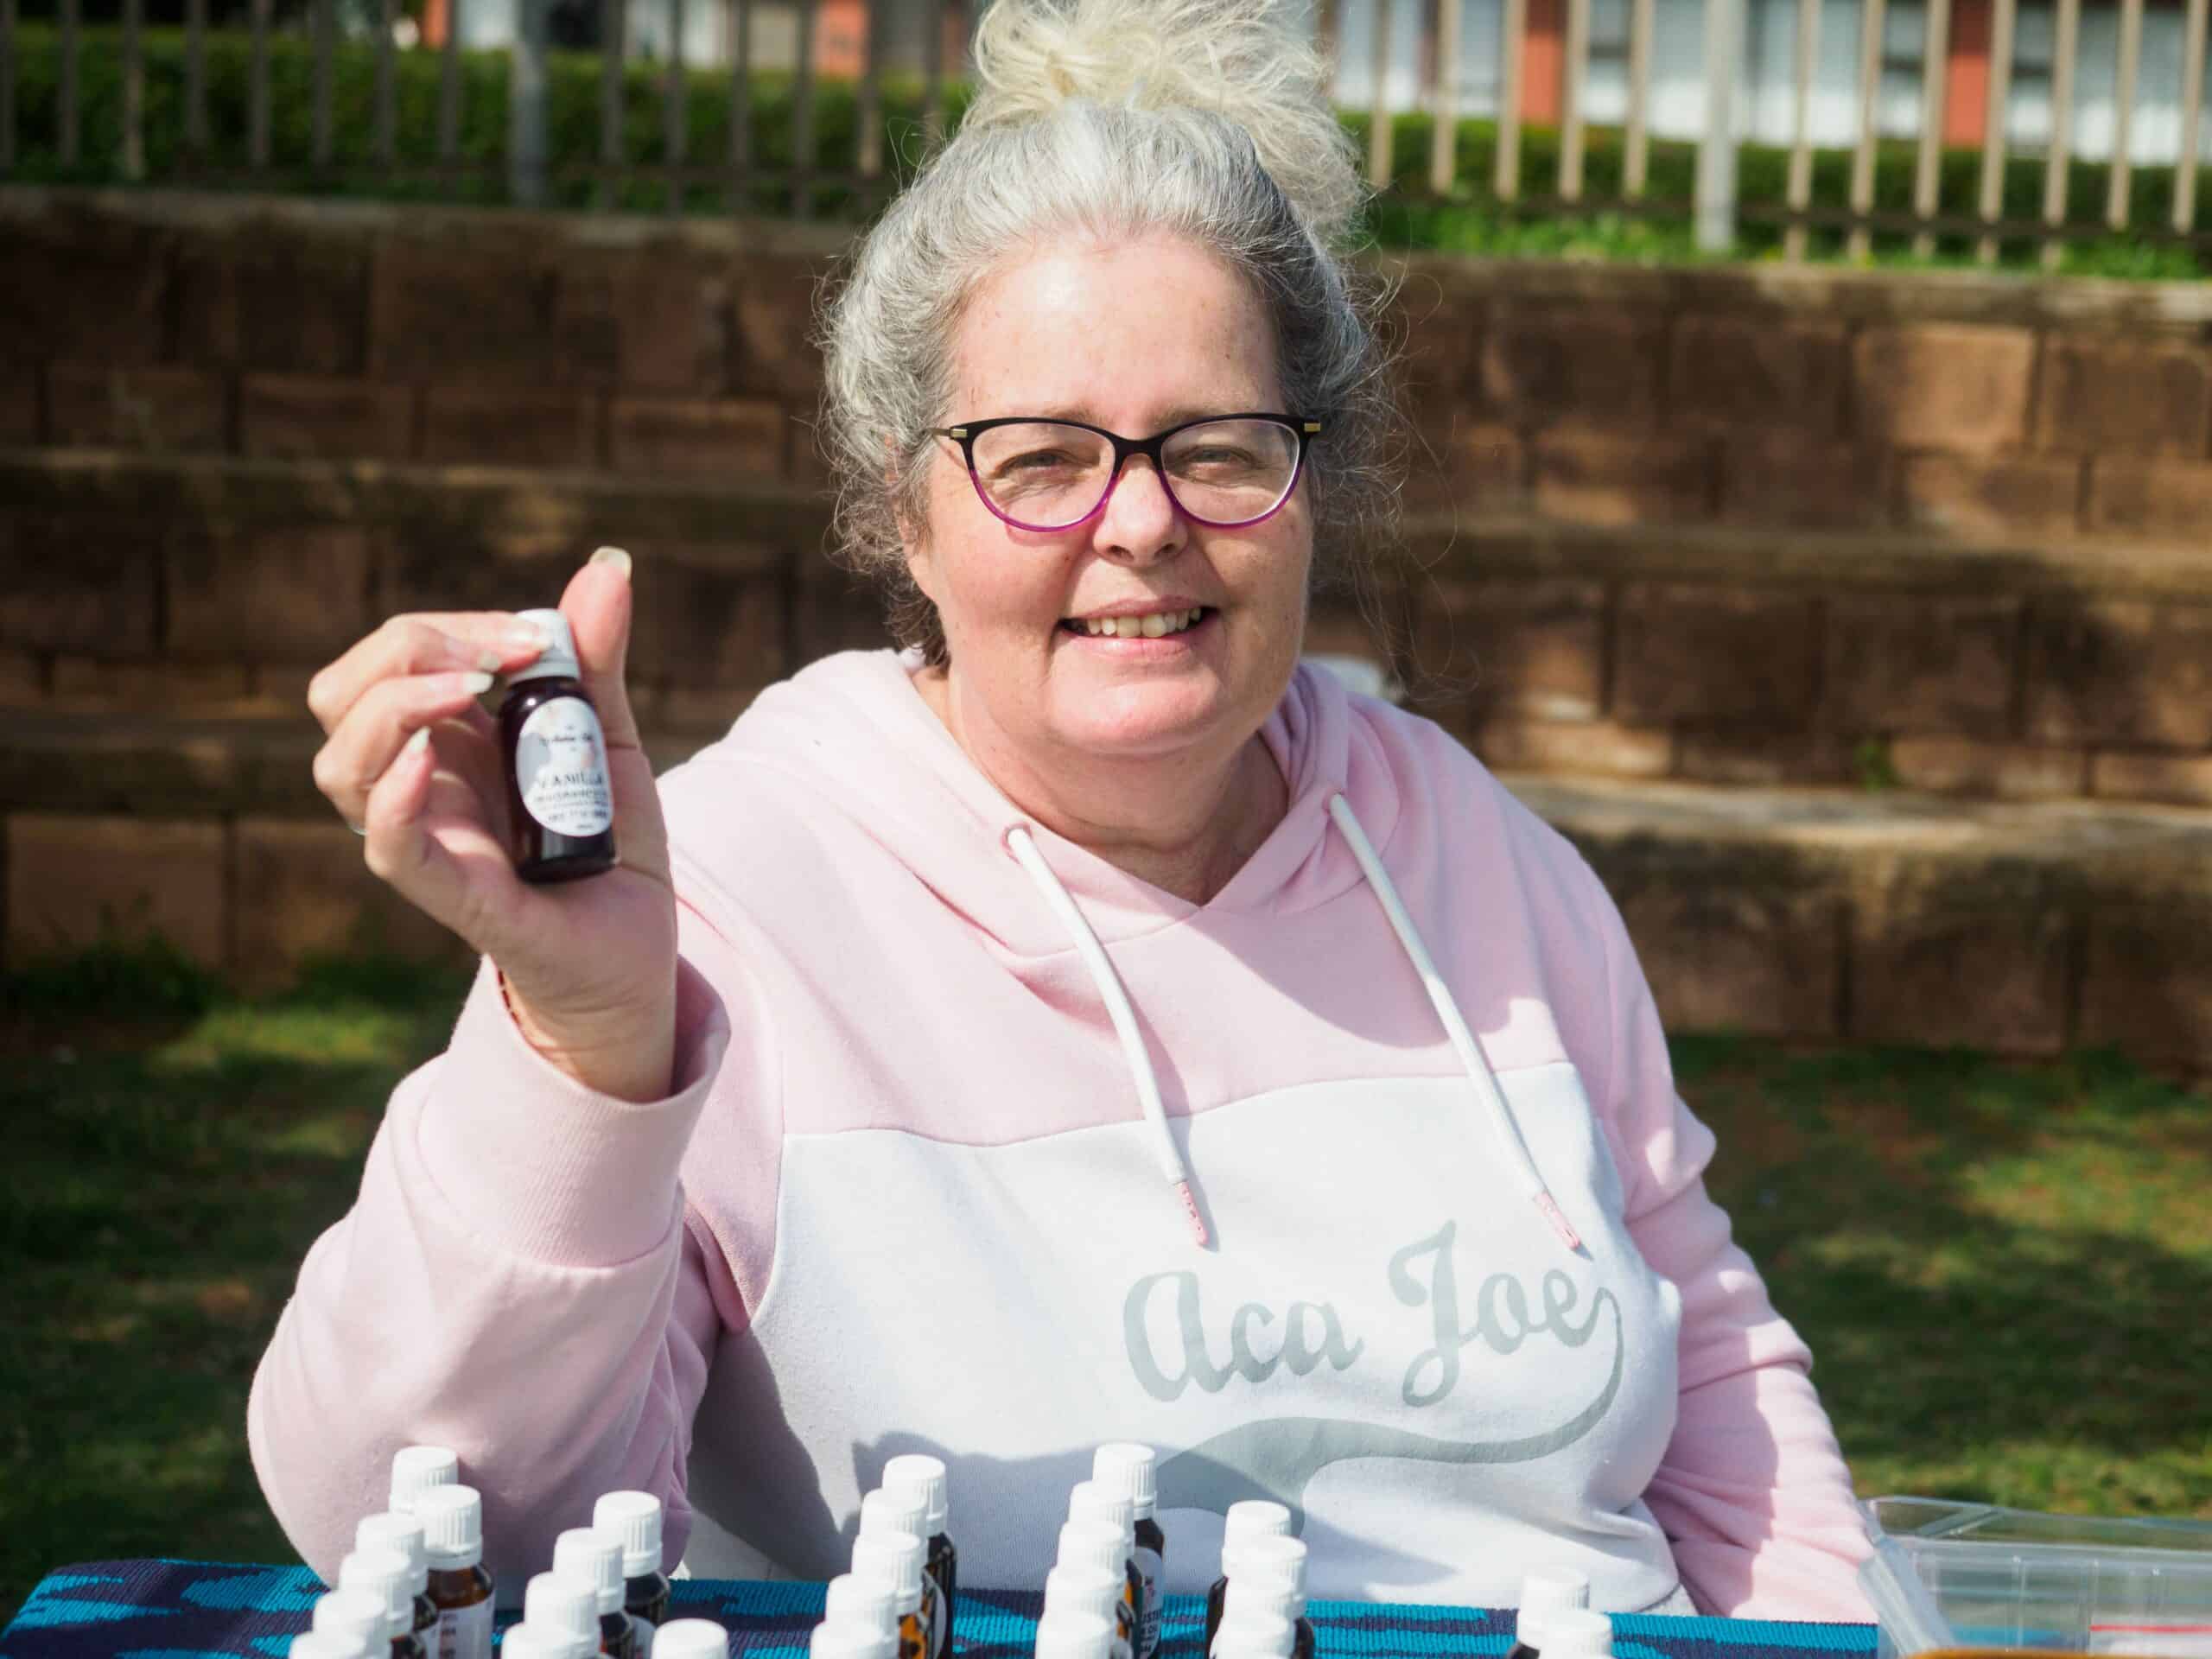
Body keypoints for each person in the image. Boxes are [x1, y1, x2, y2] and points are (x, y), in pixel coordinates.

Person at [251, 0, 1872, 1621]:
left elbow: (1723, 1408)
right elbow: (422, 1531)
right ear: (905, 513)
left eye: (1217, 449)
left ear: (1314, 483)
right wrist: (588, 1054)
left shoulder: (1479, 858)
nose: (1142, 523)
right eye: (1040, 460)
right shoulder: (739, 896)